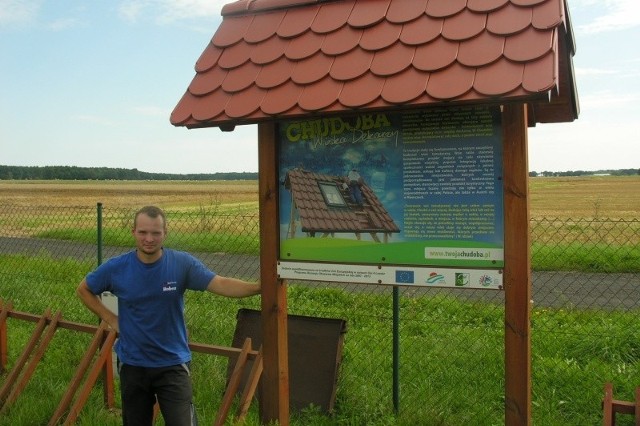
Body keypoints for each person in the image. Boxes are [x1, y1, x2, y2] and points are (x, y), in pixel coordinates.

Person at [76, 205, 260, 425]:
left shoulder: (181, 264)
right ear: (133, 232)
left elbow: (220, 283)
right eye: (143, 232)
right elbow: (84, 289)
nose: (149, 239)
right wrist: (112, 319)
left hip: (173, 364)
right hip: (133, 363)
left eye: (156, 232)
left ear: (165, 233)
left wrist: (258, 287)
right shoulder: (117, 268)